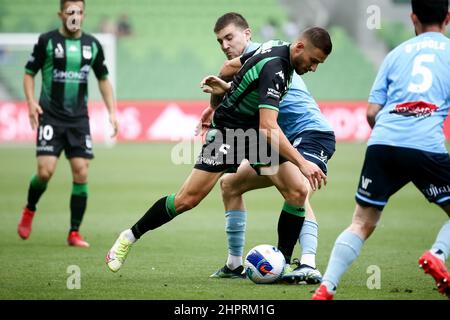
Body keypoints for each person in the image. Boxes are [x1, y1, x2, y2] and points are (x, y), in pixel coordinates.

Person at [106, 27, 332, 273]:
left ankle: (283, 265)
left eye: (319, 64)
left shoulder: (276, 45)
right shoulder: (276, 69)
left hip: (254, 134)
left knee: (297, 191)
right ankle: (128, 237)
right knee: (187, 199)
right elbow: (269, 127)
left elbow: (227, 70)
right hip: (231, 132)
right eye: (313, 61)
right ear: (299, 47)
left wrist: (219, 98)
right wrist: (303, 162)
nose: (313, 68)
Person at [313, 0, 450, 300]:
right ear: (448, 18)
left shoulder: (396, 54)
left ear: (413, 18)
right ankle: (438, 254)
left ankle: (326, 287)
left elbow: (372, 112)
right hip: (425, 143)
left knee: (361, 222)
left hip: (383, 142)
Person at [197, 12, 335, 284]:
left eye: (229, 38)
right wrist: (220, 104)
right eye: (220, 41)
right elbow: (239, 89)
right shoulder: (271, 54)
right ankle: (234, 264)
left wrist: (214, 107)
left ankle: (307, 262)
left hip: (311, 133)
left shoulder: (265, 52)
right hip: (280, 138)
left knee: (298, 188)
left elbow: (225, 71)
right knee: (230, 185)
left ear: (247, 35)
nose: (225, 46)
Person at [18, 0, 119, 247]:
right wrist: (31, 102)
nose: (75, 16)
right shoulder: (47, 41)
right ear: (61, 14)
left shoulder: (92, 45)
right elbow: (29, 73)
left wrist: (112, 112)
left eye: (80, 12)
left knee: (81, 172)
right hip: (51, 116)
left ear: (84, 15)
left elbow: (103, 79)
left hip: (78, 120)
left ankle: (74, 233)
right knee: (45, 172)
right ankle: (30, 209)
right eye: (71, 11)